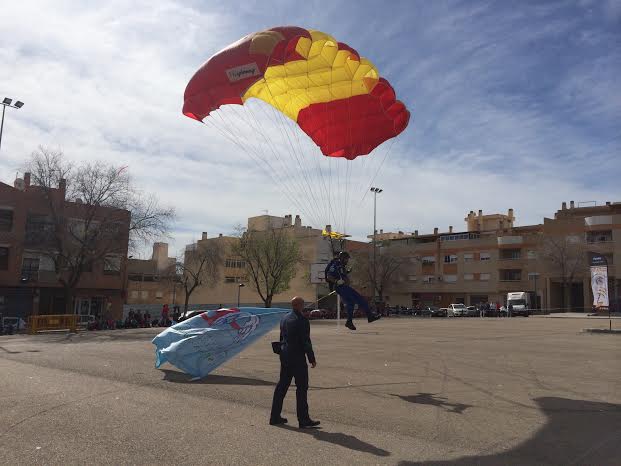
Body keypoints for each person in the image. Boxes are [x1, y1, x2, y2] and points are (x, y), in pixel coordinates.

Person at [270, 296, 320, 429]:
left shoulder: (285, 318)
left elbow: (281, 338)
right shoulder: (302, 320)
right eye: (302, 304)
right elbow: (305, 341)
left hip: (285, 355)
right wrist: (312, 358)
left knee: (282, 386)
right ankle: (303, 420)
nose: (303, 306)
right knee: (302, 388)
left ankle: (274, 416)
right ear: (299, 305)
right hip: (297, 357)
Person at [325, 251, 381, 331]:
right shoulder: (336, 265)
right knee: (360, 299)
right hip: (340, 287)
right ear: (342, 258)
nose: (347, 260)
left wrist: (347, 272)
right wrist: (336, 281)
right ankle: (370, 316)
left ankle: (349, 322)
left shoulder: (341, 266)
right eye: (346, 259)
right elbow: (329, 276)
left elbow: (342, 275)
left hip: (344, 287)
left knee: (350, 303)